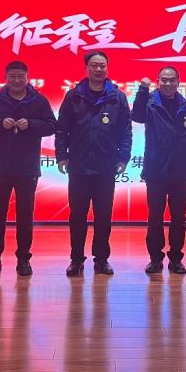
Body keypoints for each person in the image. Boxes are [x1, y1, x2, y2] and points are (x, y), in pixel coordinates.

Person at [55, 51, 132, 276]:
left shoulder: (117, 97)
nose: (99, 69)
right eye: (94, 65)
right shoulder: (74, 96)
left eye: (102, 66)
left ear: (107, 68)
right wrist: (61, 155)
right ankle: (76, 259)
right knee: (77, 216)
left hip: (106, 166)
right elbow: (62, 128)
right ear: (86, 68)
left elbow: (125, 130)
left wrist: (123, 157)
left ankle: (101, 259)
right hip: (79, 165)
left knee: (103, 215)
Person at [0, 60, 57, 277]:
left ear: (27, 78)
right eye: (12, 76)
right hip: (1, 167)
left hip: (27, 168)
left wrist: (30, 124)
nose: (17, 80)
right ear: (5, 78)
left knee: (25, 216)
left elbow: (51, 126)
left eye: (21, 76)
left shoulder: (38, 100)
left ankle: (23, 259)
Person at [132, 66, 186, 275]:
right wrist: (142, 91)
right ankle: (155, 258)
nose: (168, 83)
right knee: (155, 217)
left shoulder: (185, 106)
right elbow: (137, 116)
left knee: (179, 218)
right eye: (164, 80)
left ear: (178, 82)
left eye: (172, 80)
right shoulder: (150, 102)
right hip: (156, 168)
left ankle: (176, 258)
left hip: (180, 169)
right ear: (158, 81)